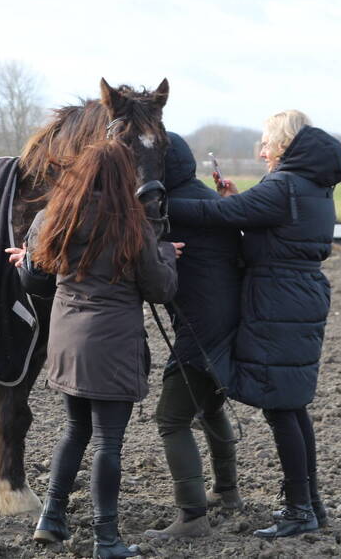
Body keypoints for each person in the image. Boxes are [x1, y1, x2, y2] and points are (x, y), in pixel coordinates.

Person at [166, 111, 341, 539]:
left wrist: (158, 205)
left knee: (281, 408)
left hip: (277, 300)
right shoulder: (314, 185)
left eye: (267, 143)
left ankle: (298, 510)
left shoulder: (284, 184)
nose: (263, 150)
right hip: (298, 295)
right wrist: (236, 200)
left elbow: (216, 218)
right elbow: (265, 222)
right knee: (292, 407)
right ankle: (311, 505)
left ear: (284, 145)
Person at [6, 139, 180, 558]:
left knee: (75, 430)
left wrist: (27, 259)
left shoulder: (54, 217)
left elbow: (37, 282)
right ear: (124, 179)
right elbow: (160, 289)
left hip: (67, 342)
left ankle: (52, 516)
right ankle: (107, 540)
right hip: (113, 345)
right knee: (108, 443)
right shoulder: (134, 226)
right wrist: (167, 256)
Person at [143, 132, 243, 540]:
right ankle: (227, 491)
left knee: (171, 418)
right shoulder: (208, 200)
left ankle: (192, 518)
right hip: (226, 322)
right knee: (209, 405)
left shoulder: (170, 211)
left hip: (201, 327)